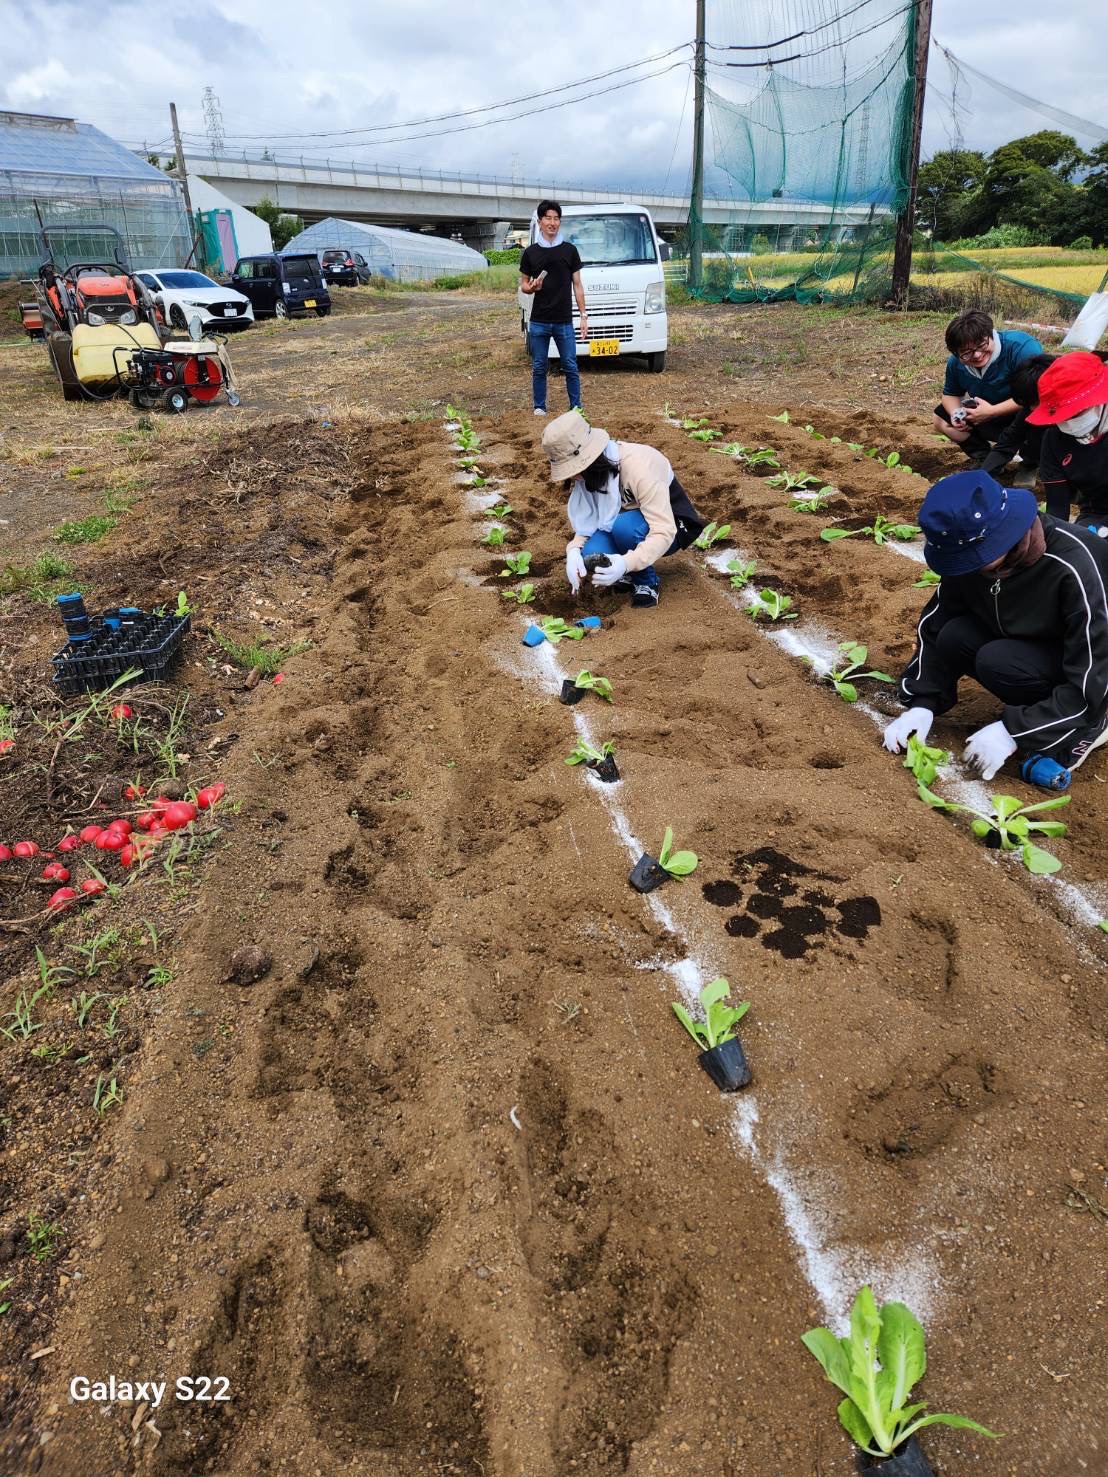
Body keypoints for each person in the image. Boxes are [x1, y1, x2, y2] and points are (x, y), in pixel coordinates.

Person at [882, 469, 1108, 781]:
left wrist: (1013, 731)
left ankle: (1093, 722)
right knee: (954, 636)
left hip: (1096, 669)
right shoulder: (972, 557)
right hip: (1040, 644)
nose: (964, 566)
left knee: (999, 662)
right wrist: (923, 704)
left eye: (971, 557)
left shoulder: (1074, 566)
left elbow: (1094, 673)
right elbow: (936, 624)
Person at [541, 411, 704, 609]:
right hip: (629, 525)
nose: (574, 478)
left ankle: (646, 582)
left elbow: (664, 530)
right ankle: (628, 572)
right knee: (592, 552)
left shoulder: (639, 469)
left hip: (673, 527)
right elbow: (591, 525)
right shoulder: (591, 476)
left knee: (623, 526)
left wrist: (625, 563)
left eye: (574, 470)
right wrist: (574, 551)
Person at [934, 310, 1043, 472]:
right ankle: (985, 457)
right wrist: (956, 413)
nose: (977, 355)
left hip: (1023, 412)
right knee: (940, 419)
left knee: (1038, 415)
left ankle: (1030, 464)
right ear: (956, 353)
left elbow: (1037, 394)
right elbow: (951, 394)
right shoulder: (956, 364)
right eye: (966, 352)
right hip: (986, 417)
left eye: (982, 345)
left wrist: (992, 411)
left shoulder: (1021, 348)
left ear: (991, 334)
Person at [519, 200, 588, 417]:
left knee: (570, 365)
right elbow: (524, 284)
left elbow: (577, 284)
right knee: (540, 366)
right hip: (539, 320)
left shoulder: (570, 251)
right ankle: (539, 406)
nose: (552, 222)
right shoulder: (530, 253)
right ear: (539, 222)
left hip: (564, 321)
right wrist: (531, 288)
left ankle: (576, 407)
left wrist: (584, 315)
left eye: (556, 218)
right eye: (548, 218)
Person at [1024, 350, 1108, 528]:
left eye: (1075, 413)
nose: (1068, 422)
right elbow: (1057, 507)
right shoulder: (1054, 441)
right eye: (1062, 415)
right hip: (1097, 513)